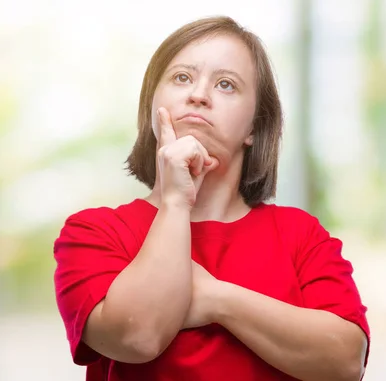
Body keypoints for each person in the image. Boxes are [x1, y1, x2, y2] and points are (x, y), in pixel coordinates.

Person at [53, 16, 370, 381]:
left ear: (254, 127)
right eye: (182, 77)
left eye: (226, 84)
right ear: (152, 105)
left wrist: (215, 297)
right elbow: (136, 338)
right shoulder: (94, 231)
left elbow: (346, 363)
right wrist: (175, 201)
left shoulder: (301, 235)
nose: (198, 95)